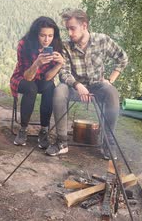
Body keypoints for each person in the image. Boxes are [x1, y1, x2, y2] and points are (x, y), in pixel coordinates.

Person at [45, 9, 128, 159]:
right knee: (59, 90)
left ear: (84, 26)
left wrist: (110, 80)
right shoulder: (66, 46)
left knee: (112, 92)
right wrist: (78, 85)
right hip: (74, 87)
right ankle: (61, 142)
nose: (69, 33)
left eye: (72, 28)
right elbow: (64, 73)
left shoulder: (102, 40)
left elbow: (123, 58)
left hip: (97, 86)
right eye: (67, 29)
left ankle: (107, 143)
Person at [10, 16, 65, 148]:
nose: (47, 40)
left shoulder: (56, 45)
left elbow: (47, 77)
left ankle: (44, 130)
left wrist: (59, 65)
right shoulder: (25, 44)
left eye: (50, 36)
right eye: (43, 35)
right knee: (31, 88)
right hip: (23, 77)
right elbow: (27, 77)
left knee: (50, 87)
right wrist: (36, 64)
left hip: (42, 79)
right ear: (36, 34)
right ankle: (23, 129)